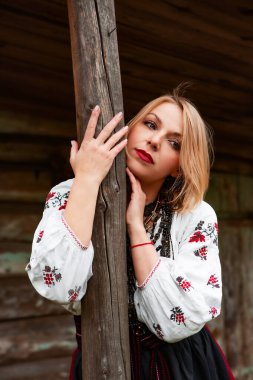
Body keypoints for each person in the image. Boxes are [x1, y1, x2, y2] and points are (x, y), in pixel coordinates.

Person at [26, 87, 235, 379]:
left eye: (174, 143)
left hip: (180, 367)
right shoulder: (67, 195)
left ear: (178, 167)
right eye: (150, 125)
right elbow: (58, 284)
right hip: (99, 359)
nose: (154, 141)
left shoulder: (195, 216)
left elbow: (175, 322)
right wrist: (86, 179)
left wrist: (136, 227)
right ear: (130, 128)